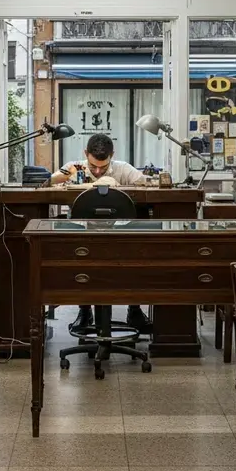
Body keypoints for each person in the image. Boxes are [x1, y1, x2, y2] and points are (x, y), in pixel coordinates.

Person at [49, 133, 150, 332]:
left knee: (138, 258)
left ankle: (135, 309)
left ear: (112, 155)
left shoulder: (123, 169)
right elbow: (49, 181)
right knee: (81, 263)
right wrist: (62, 177)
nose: (96, 171)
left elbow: (146, 184)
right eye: (92, 165)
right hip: (83, 238)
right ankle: (84, 311)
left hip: (120, 238)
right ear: (85, 154)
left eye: (103, 167)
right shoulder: (74, 166)